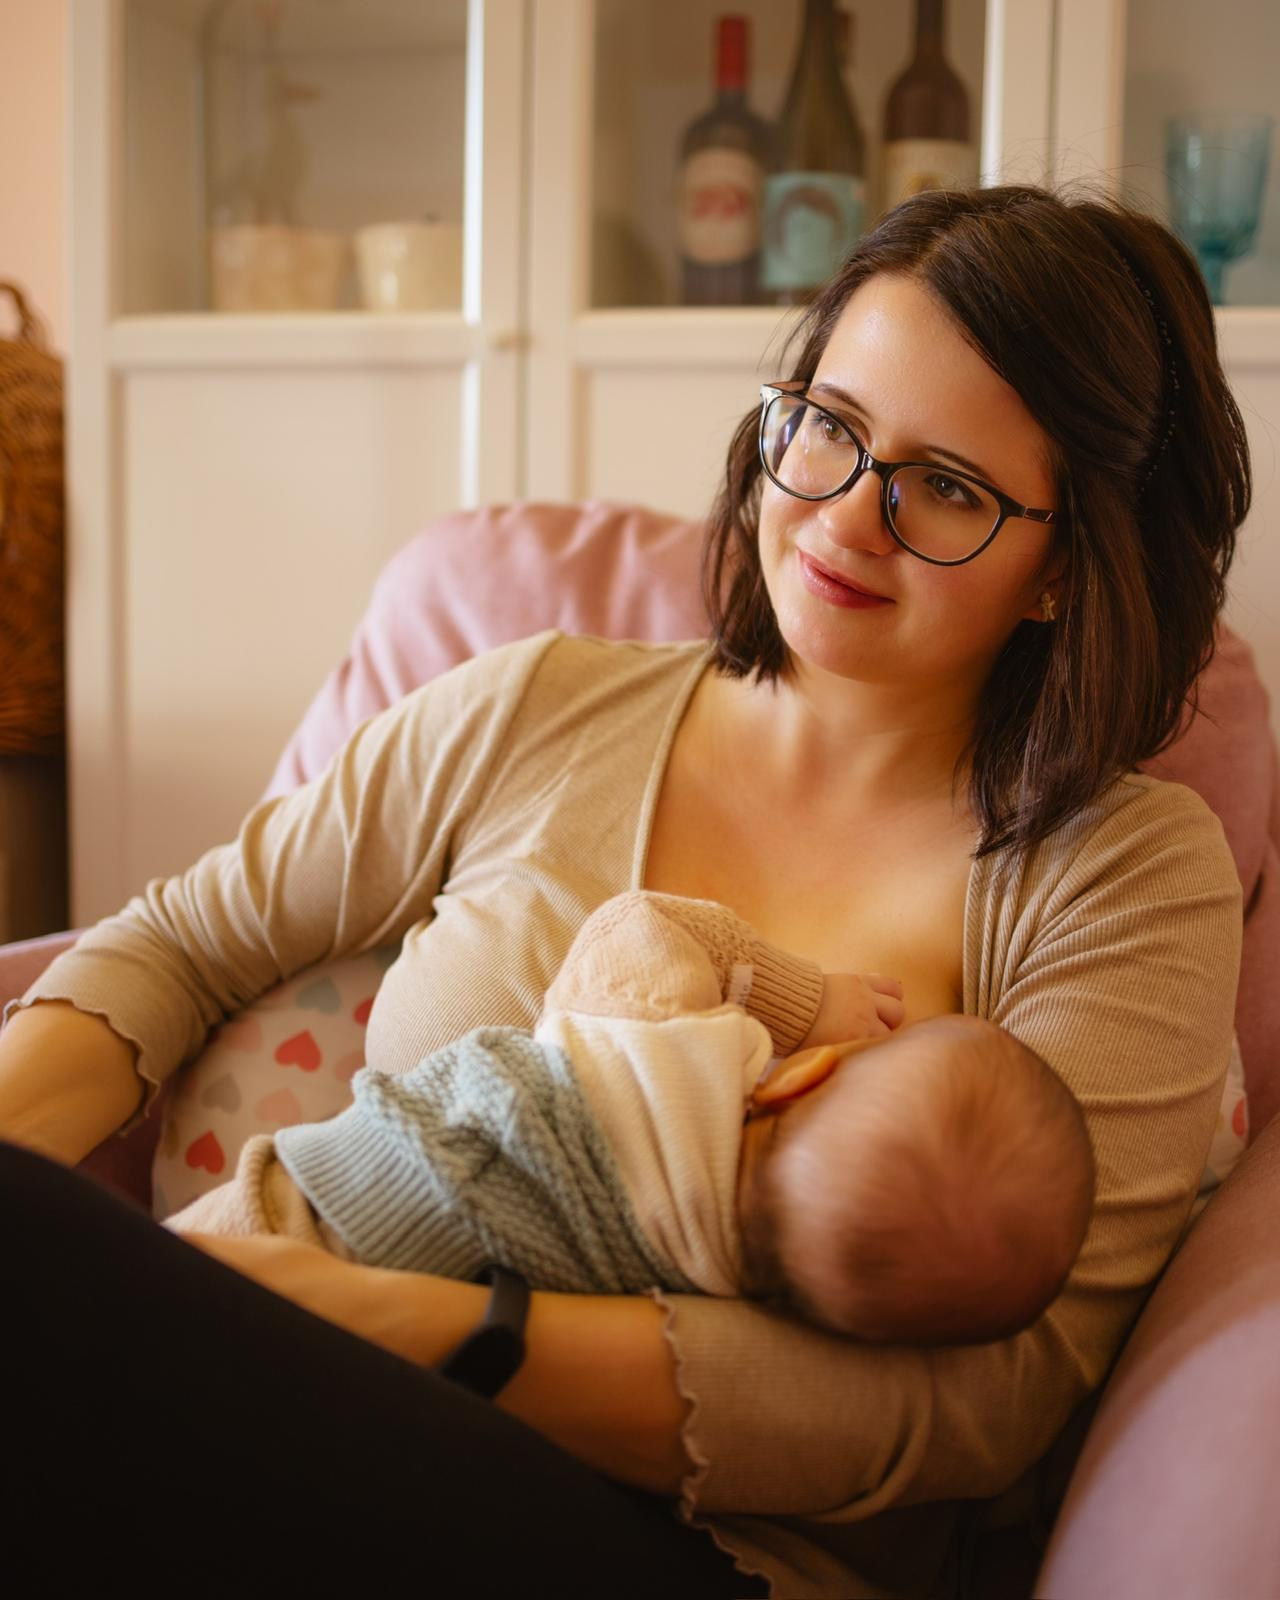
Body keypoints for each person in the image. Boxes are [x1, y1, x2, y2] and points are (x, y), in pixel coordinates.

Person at [0, 184, 1247, 1599]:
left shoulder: (1125, 873)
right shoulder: (535, 708)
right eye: (828, 428)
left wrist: (390, 1323)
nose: (845, 517)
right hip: (277, 1413)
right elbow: (178, 942)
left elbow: (982, 1403)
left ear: (1063, 571)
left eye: (946, 487)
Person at [164, 889, 1095, 1350]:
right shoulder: (707, 1296)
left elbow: (636, 923)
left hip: (290, 1215)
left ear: (796, 1078)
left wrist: (806, 998)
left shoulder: (660, 1053)